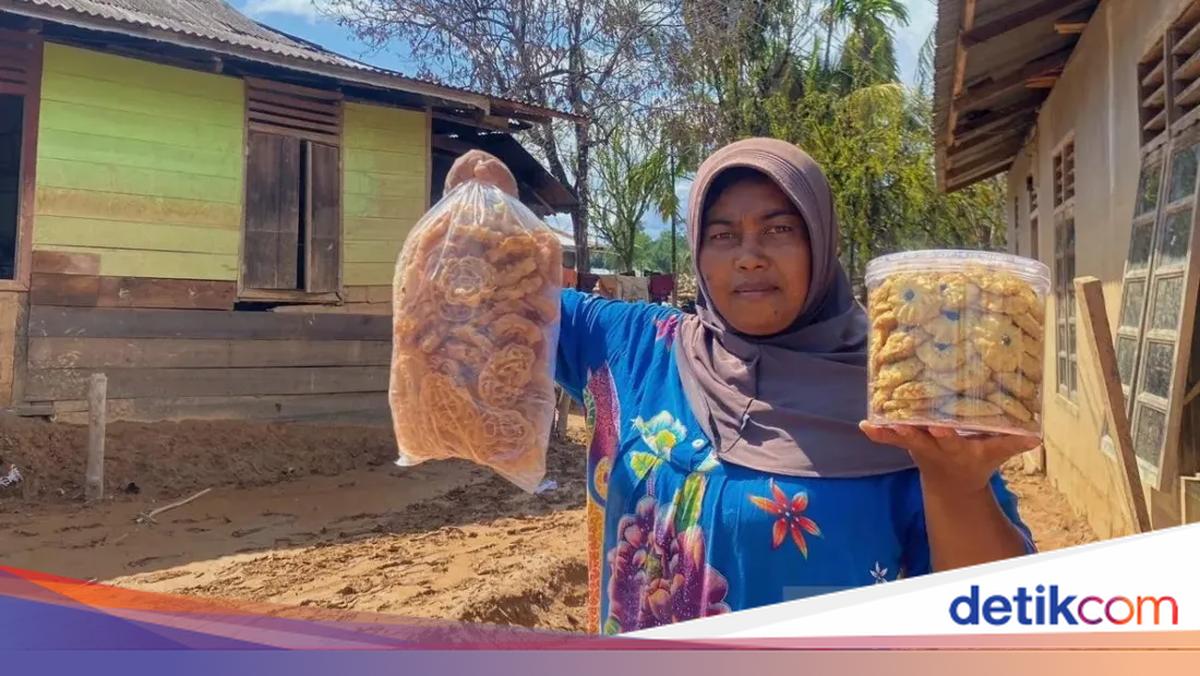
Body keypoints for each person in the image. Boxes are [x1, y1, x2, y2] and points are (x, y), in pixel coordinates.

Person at [443, 139, 1039, 635]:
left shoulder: (898, 395)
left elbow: (998, 615)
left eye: (779, 229)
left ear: (820, 245)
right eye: (723, 235)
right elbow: (501, 304)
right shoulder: (636, 347)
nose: (748, 257)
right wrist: (485, 208)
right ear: (698, 254)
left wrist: (955, 482)